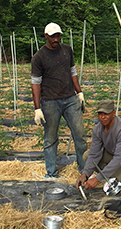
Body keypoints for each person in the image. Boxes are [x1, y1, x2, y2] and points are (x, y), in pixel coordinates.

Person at [31, 22, 87, 178]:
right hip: (50, 102)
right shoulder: (39, 57)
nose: (56, 39)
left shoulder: (67, 50)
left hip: (70, 99)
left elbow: (73, 72)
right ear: (46, 36)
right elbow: (36, 83)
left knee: (80, 135)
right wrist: (37, 108)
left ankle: (84, 170)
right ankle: (51, 173)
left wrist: (79, 92)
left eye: (58, 36)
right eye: (53, 36)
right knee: (50, 138)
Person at [75, 99, 121, 189]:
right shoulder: (98, 129)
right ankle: (113, 170)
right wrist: (85, 174)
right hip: (113, 153)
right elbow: (93, 154)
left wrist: (97, 179)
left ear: (113, 113)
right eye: (100, 114)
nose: (103, 117)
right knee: (87, 155)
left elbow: (119, 157)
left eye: (106, 114)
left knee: (114, 182)